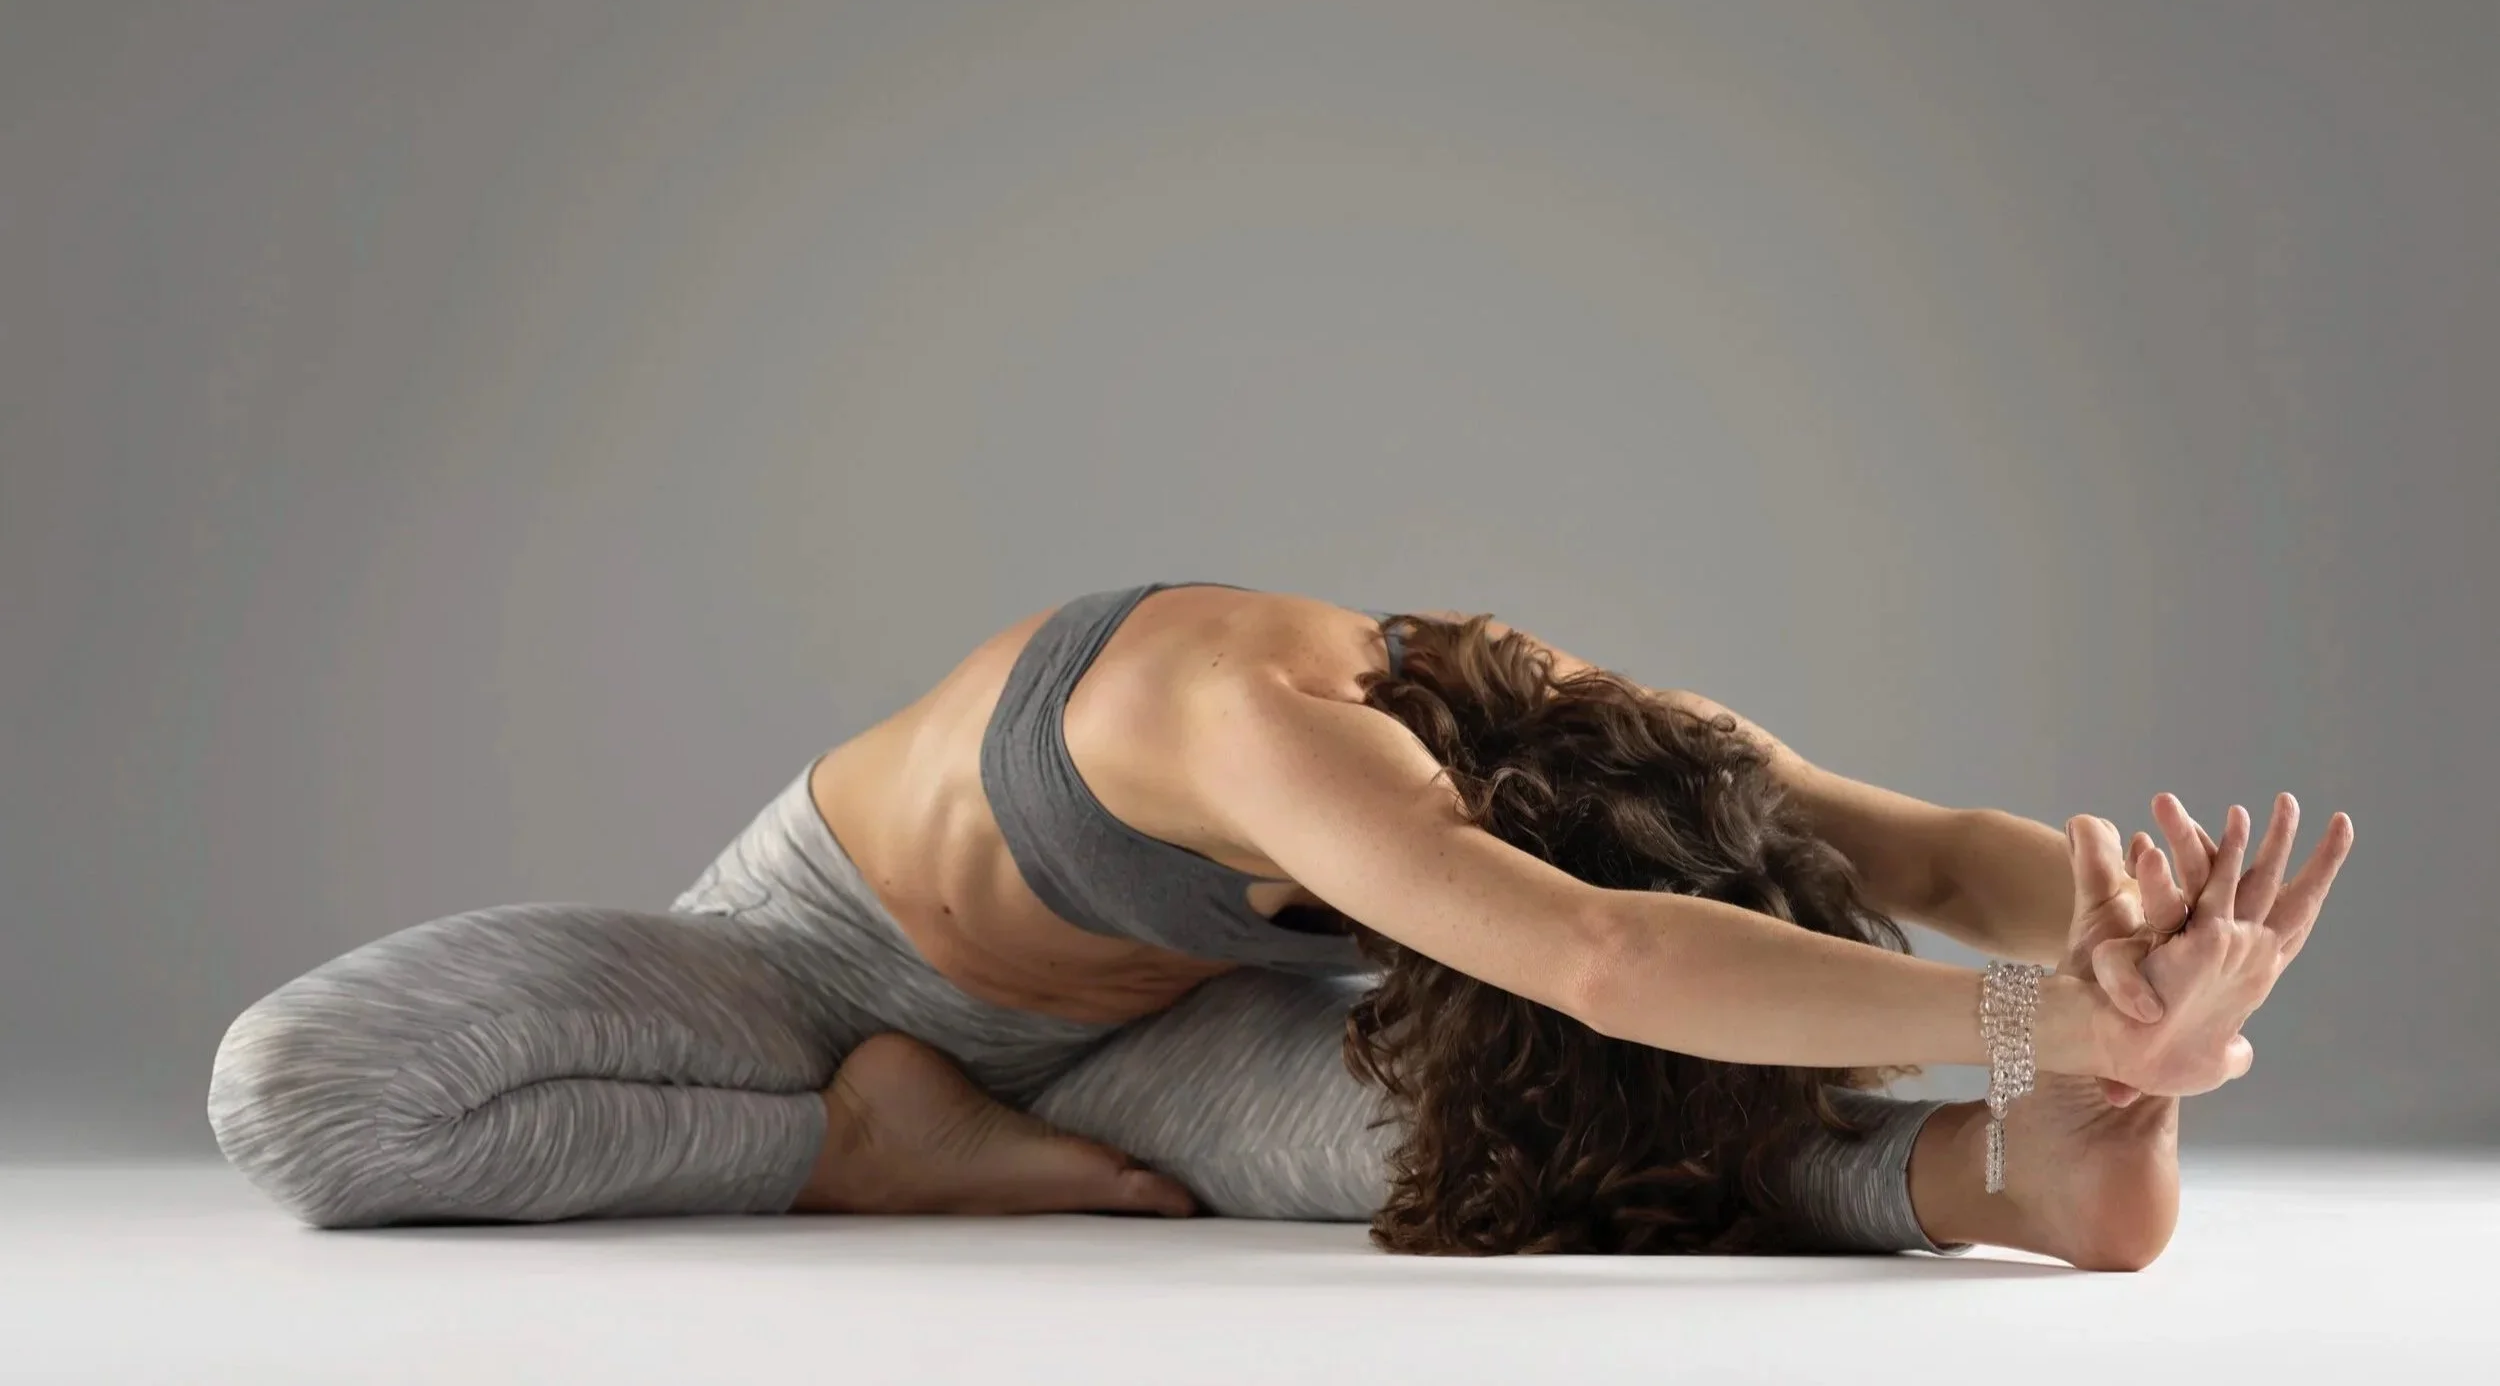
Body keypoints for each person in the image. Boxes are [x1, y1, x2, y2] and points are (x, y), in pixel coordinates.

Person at [206, 580, 2354, 1269]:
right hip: (819, 969)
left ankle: (2011, 1173)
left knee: (1537, 1136)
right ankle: (861, 1147)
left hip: (1159, 1035)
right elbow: (1601, 959)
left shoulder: (1593, 725)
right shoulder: (1244, 719)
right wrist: (2023, 1014)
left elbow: (1913, 840)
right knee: (314, 1095)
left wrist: (2119, 950)